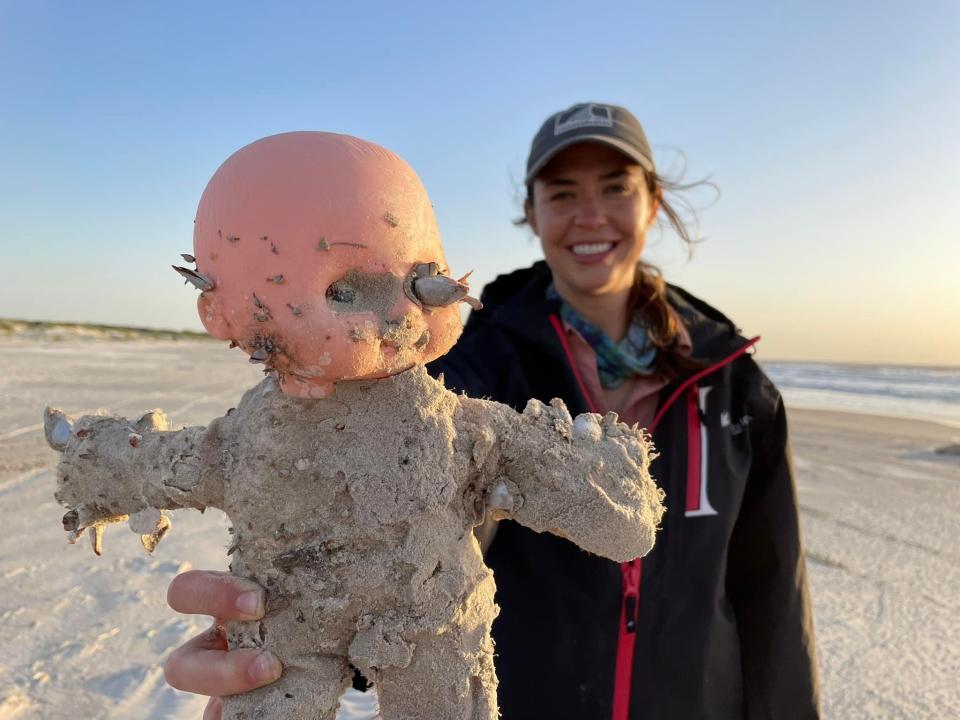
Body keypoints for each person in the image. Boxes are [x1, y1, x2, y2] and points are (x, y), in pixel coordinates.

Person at [164, 102, 820, 719]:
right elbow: (401, 552)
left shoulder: (735, 387)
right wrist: (291, 623)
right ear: (531, 213)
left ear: (653, 202)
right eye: (562, 193)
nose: (590, 215)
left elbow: (772, 596)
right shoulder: (462, 374)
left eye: (615, 187)